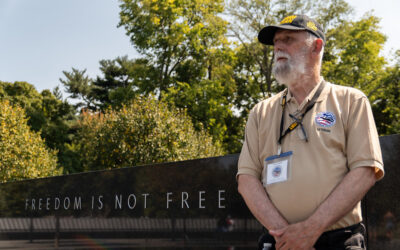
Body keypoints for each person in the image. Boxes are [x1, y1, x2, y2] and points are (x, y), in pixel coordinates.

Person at [237, 14, 384, 250]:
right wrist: (288, 237)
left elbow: (365, 171)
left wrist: (310, 230)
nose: (278, 47)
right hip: (279, 241)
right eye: (276, 42)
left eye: (288, 39)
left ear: (316, 46)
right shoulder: (260, 112)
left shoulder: (351, 101)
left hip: (338, 240)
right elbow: (246, 180)